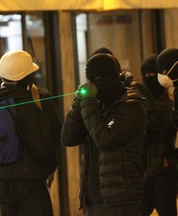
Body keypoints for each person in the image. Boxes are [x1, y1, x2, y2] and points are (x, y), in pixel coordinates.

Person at [61, 53, 146, 216]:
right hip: (93, 199)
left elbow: (105, 139)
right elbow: (68, 138)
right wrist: (77, 104)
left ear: (113, 76)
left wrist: (88, 105)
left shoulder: (131, 105)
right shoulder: (96, 104)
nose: (94, 84)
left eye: (98, 78)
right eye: (90, 79)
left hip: (121, 199)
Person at [0, 50, 61, 216]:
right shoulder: (34, 102)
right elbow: (45, 143)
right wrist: (48, 168)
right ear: (27, 77)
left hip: (0, 181)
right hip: (30, 182)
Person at [140, 53, 178, 216]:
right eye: (146, 75)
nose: (150, 78)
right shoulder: (138, 103)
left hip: (164, 172)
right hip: (144, 174)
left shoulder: (171, 102)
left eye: (153, 74)